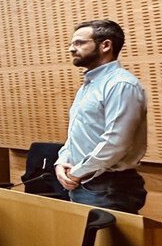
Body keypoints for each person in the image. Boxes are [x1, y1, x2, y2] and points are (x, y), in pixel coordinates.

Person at [54, 19, 148, 213]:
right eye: (72, 43)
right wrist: (62, 161)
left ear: (106, 45)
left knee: (104, 244)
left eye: (79, 43)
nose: (72, 49)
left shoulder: (121, 84)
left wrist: (77, 172)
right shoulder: (88, 85)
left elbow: (116, 142)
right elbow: (76, 134)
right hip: (83, 182)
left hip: (108, 187)